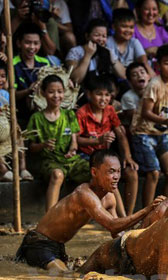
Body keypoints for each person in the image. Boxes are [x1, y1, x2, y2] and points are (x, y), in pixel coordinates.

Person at [15, 150, 165, 272]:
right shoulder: (84, 194)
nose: (116, 177)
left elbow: (118, 234)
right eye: (111, 171)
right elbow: (112, 225)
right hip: (39, 244)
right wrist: (146, 210)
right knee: (66, 278)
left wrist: (143, 239)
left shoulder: (109, 199)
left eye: (118, 172)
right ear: (94, 172)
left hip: (58, 247)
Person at [76, 76, 139, 216]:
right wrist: (97, 141)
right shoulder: (82, 113)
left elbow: (121, 135)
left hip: (108, 157)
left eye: (106, 95)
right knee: (110, 177)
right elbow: (77, 140)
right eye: (99, 94)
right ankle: (123, 218)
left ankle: (129, 215)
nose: (103, 98)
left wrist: (127, 157)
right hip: (88, 156)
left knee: (132, 173)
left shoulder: (110, 111)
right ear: (89, 94)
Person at [130, 44, 168, 207]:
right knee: (153, 172)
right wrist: (165, 121)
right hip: (144, 134)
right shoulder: (154, 84)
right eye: (167, 63)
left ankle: (165, 209)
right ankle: (147, 212)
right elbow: (146, 112)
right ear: (158, 65)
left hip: (162, 134)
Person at [27, 75, 90, 212]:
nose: (56, 95)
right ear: (43, 93)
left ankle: (119, 216)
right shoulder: (36, 118)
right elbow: (31, 147)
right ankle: (49, 220)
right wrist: (43, 145)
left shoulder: (69, 115)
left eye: (60, 91)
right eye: (51, 91)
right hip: (48, 161)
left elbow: (74, 143)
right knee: (57, 174)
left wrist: (72, 150)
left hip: (70, 160)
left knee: (99, 172)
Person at [13, 22, 51, 127]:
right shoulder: (13, 64)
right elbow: (11, 95)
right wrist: (28, 91)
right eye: (28, 42)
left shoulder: (45, 62)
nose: (32, 47)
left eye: (36, 43)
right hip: (20, 116)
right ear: (19, 43)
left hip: (42, 115)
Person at [106, 8, 155, 77]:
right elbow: (123, 75)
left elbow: (144, 63)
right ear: (114, 27)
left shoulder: (134, 42)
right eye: (124, 26)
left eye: (131, 27)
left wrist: (155, 82)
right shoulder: (108, 42)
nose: (128, 30)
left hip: (131, 79)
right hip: (112, 79)